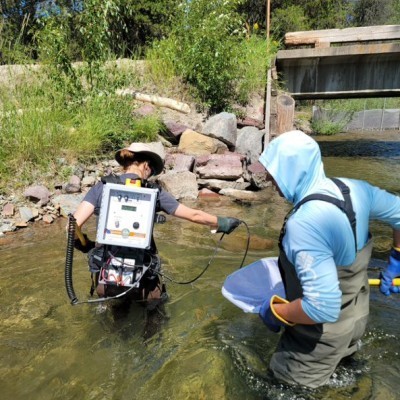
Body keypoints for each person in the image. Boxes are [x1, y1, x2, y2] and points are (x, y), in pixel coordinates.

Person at [256, 130, 400, 388]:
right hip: (356, 321)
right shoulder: (354, 189)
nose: (268, 177)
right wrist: (396, 258)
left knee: (278, 389)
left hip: (316, 341)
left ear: (292, 169)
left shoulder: (305, 223)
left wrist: (274, 310)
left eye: (273, 170)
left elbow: (321, 308)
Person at [72, 142, 241, 308]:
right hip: (144, 279)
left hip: (107, 281)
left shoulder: (102, 187)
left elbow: (72, 227)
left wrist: (85, 244)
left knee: (117, 316)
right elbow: (193, 215)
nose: (150, 174)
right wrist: (222, 223)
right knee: (157, 315)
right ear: (145, 165)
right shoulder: (153, 192)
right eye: (151, 170)